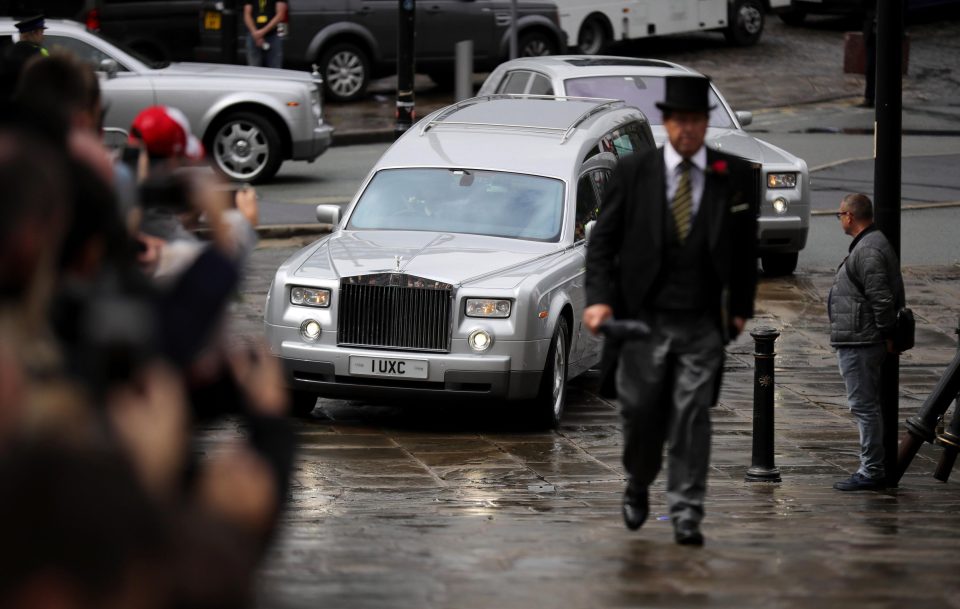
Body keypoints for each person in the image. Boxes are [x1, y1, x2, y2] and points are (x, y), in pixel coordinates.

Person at [582, 75, 758, 546]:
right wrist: (598, 299)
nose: (687, 130)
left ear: (705, 124)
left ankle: (686, 511)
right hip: (642, 322)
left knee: (690, 414)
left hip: (702, 323)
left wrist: (740, 308)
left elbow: (744, 250)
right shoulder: (634, 173)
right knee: (640, 414)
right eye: (679, 121)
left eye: (696, 121)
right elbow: (603, 244)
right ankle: (638, 481)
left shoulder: (732, 177)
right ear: (667, 121)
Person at [828, 193, 905, 491]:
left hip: (861, 341)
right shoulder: (869, 245)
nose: (840, 219)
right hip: (858, 338)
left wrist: (887, 334)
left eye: (840, 215)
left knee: (864, 407)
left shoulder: (869, 249)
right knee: (866, 406)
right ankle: (872, 467)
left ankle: (871, 470)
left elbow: (881, 298)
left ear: (849, 216)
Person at [243, 0, 288, 69]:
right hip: (253, 36)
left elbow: (280, 15)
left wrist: (260, 33)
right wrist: (255, 33)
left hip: (273, 35)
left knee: (275, 70)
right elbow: (247, 14)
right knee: (253, 70)